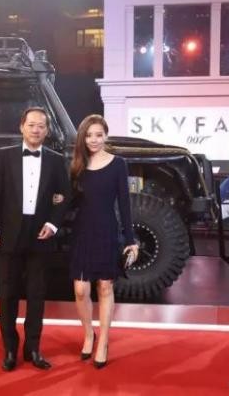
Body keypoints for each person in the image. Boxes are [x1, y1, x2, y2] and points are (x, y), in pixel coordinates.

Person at [0, 106, 71, 372]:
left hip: (41, 233)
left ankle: (33, 348)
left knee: (37, 293)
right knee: (8, 292)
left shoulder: (56, 160)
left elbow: (64, 196)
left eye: (41, 126)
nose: (36, 130)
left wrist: (53, 224)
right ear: (22, 126)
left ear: (47, 130)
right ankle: (10, 348)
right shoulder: (3, 156)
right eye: (31, 125)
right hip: (9, 231)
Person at [68, 114, 139, 369]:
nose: (94, 140)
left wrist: (131, 240)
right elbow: (70, 201)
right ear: (82, 137)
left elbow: (125, 204)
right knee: (80, 290)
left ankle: (104, 341)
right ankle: (89, 334)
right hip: (82, 232)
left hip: (108, 231)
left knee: (105, 287)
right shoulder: (77, 165)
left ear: (106, 135)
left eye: (99, 135)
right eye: (89, 135)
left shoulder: (118, 164)